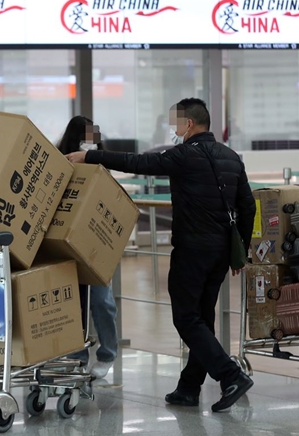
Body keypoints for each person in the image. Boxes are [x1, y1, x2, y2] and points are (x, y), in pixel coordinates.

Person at [66, 98, 256, 412]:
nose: (174, 129)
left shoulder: (183, 156)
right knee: (202, 318)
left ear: (190, 125)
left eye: (177, 123)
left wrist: (89, 155)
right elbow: (247, 207)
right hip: (220, 253)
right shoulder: (231, 157)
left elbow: (137, 162)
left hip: (192, 250)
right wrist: (241, 252)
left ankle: (230, 375)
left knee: (185, 317)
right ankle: (189, 388)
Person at [58, 116, 119, 379]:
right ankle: (77, 356)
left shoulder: (102, 159)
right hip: (66, 243)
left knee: (101, 300)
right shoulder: (60, 161)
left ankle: (107, 353)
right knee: (75, 302)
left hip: (97, 243)